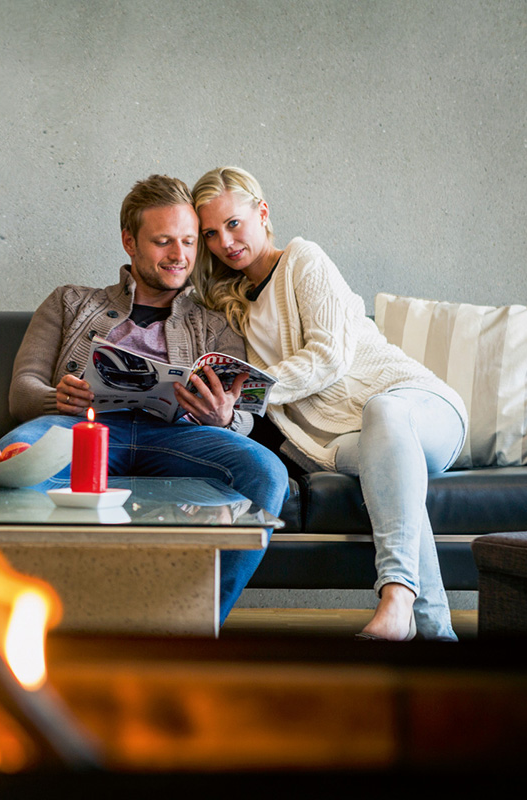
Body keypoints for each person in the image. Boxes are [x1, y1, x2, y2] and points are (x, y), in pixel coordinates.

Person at [191, 166, 468, 642]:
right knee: (388, 477)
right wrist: (222, 407)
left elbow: (329, 355)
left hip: (420, 408)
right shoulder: (231, 307)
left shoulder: (303, 258)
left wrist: (252, 389)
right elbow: (257, 409)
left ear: (262, 212)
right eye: (211, 234)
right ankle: (436, 634)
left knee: (383, 410)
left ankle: (396, 595)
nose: (225, 242)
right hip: (343, 444)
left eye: (233, 223)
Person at [0, 174, 289, 624]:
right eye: (163, 241)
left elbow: (246, 415)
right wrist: (58, 398)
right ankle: (31, 618)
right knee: (13, 456)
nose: (179, 255)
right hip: (85, 428)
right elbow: (23, 390)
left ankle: (196, 622)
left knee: (266, 472)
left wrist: (222, 417)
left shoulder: (217, 323)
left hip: (181, 438)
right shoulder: (69, 302)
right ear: (129, 242)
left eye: (189, 242)